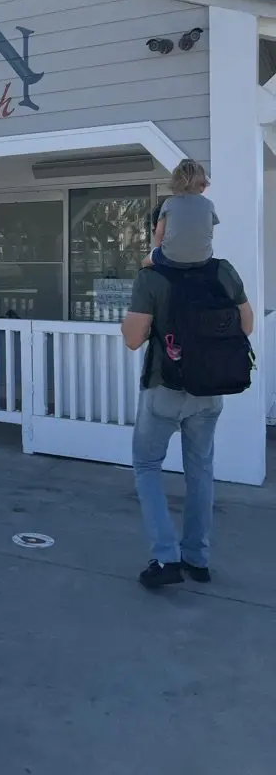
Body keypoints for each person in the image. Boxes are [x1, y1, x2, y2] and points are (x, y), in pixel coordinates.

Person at [122, 206, 254, 589]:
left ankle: (165, 557)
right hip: (211, 391)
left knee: (147, 466)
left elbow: (133, 339)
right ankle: (197, 558)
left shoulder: (151, 275)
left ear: (161, 231)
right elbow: (246, 326)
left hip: (165, 388)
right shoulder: (223, 271)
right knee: (200, 471)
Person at [142, 159, 219, 269]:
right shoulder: (209, 205)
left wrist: (159, 250)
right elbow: (209, 233)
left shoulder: (168, 203)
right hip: (203, 258)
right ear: (202, 185)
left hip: (171, 257)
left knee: (145, 263)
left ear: (175, 183)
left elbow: (159, 234)